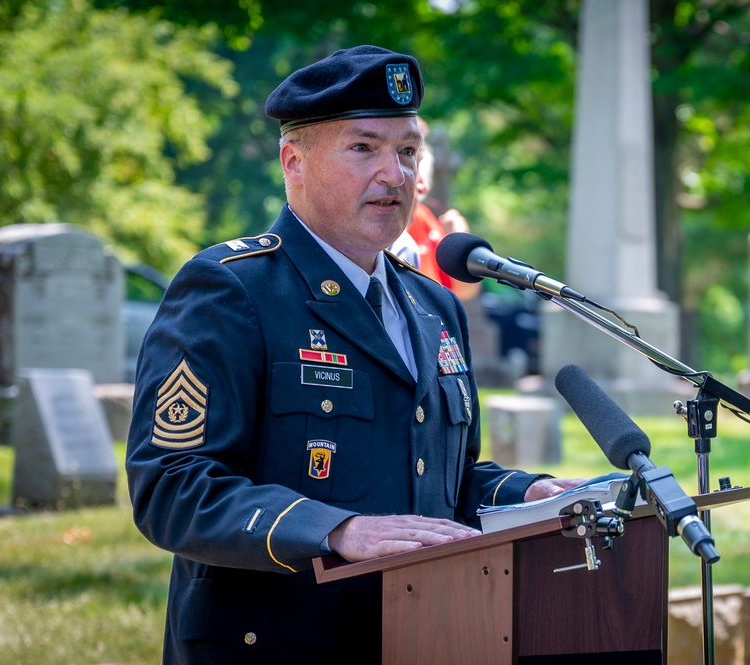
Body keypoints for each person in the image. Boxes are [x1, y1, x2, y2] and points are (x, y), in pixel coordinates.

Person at [124, 45, 582, 664]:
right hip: (275, 644)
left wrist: (531, 493)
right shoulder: (233, 289)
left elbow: (434, 486)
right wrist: (335, 530)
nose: (395, 174)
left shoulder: (431, 305)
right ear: (295, 162)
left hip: (425, 636)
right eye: (364, 147)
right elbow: (172, 487)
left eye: (407, 150)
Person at [389, 117, 481, 301]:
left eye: (416, 158)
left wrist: (461, 253)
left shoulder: (423, 219)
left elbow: (462, 292)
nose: (423, 186)